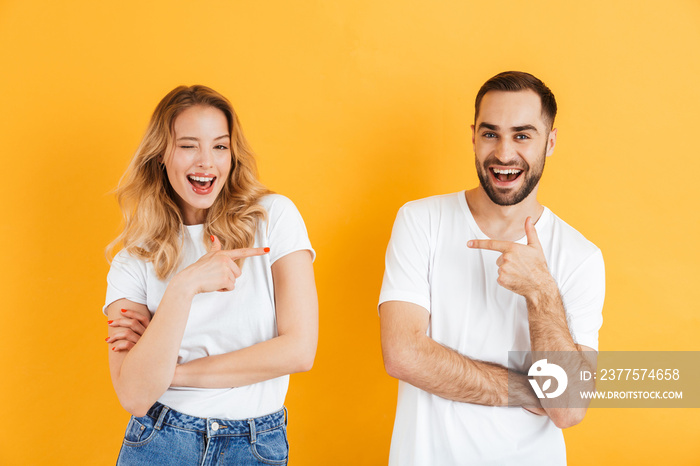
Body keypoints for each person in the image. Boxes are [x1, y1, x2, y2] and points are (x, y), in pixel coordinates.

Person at [378, 71, 604, 465]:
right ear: (473, 136)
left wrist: (540, 291)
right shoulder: (420, 221)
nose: (503, 153)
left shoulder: (580, 256)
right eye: (490, 134)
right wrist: (528, 390)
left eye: (522, 135)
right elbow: (403, 354)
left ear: (549, 143)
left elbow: (567, 408)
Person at [103, 85, 318, 465]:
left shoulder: (273, 218)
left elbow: (299, 350)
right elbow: (135, 396)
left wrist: (169, 373)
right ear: (161, 156)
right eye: (188, 145)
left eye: (219, 146)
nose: (206, 162)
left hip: (255, 445)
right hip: (159, 441)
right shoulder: (132, 259)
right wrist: (184, 287)